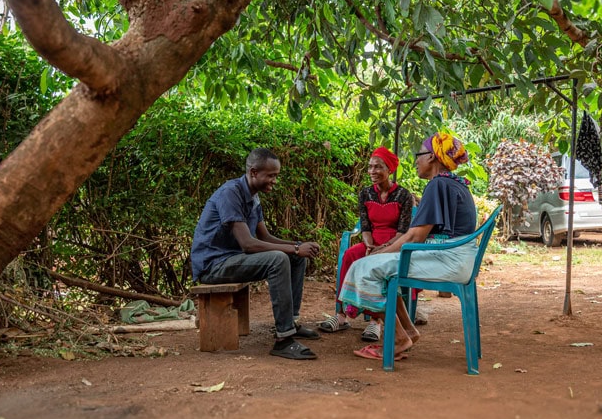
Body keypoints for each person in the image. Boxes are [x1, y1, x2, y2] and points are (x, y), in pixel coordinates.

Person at [337, 132, 477, 360]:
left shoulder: (437, 185)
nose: (416, 161)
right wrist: (381, 252)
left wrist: (377, 255)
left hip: (449, 261)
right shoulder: (451, 184)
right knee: (379, 268)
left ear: (432, 157)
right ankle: (408, 330)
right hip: (457, 259)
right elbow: (415, 234)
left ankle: (399, 339)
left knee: (364, 268)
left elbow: (414, 238)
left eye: (418, 155)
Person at [190, 148, 321, 360]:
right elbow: (248, 244)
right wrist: (295, 248)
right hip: (213, 265)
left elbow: (266, 238)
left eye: (276, 176)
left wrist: (298, 246)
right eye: (271, 176)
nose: (274, 181)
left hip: (233, 259)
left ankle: (291, 323)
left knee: (295, 257)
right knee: (279, 259)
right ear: (253, 172)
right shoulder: (230, 194)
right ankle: (283, 340)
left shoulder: (253, 196)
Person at [318, 147, 413, 342]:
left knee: (378, 266)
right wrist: (369, 246)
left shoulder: (403, 195)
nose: (372, 171)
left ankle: (375, 321)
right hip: (373, 241)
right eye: (369, 167)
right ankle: (342, 314)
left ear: (390, 170)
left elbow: (403, 232)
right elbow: (365, 226)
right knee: (351, 255)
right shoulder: (365, 194)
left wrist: (383, 248)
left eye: (378, 167)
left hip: (395, 244)